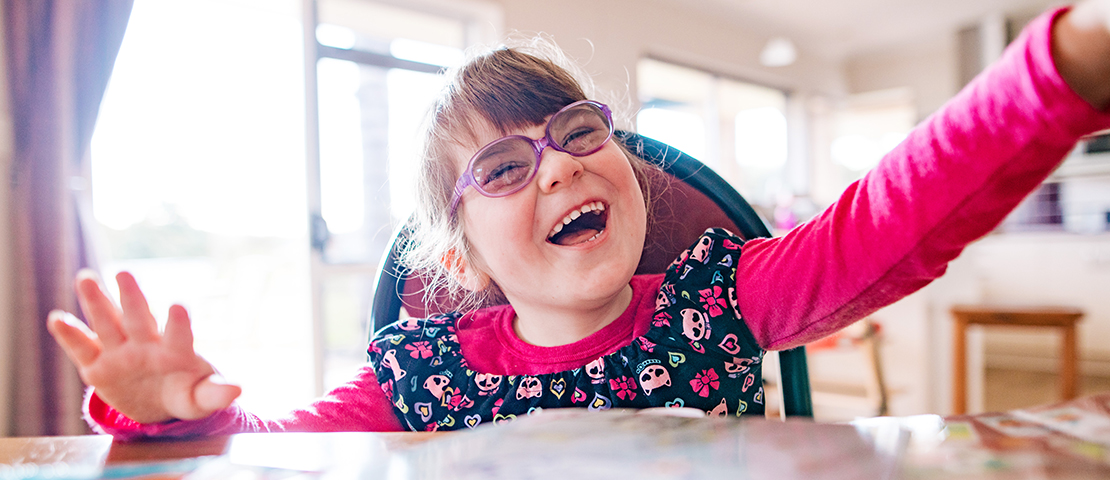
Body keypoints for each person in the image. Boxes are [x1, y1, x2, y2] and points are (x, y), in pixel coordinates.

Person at [48, 1, 1110, 437]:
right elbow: (278, 458)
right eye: (506, 166)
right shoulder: (414, 374)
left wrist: (1055, 67)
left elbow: (889, 221)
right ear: (461, 255)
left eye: (575, 133)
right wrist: (174, 423)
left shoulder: (718, 303)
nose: (557, 171)